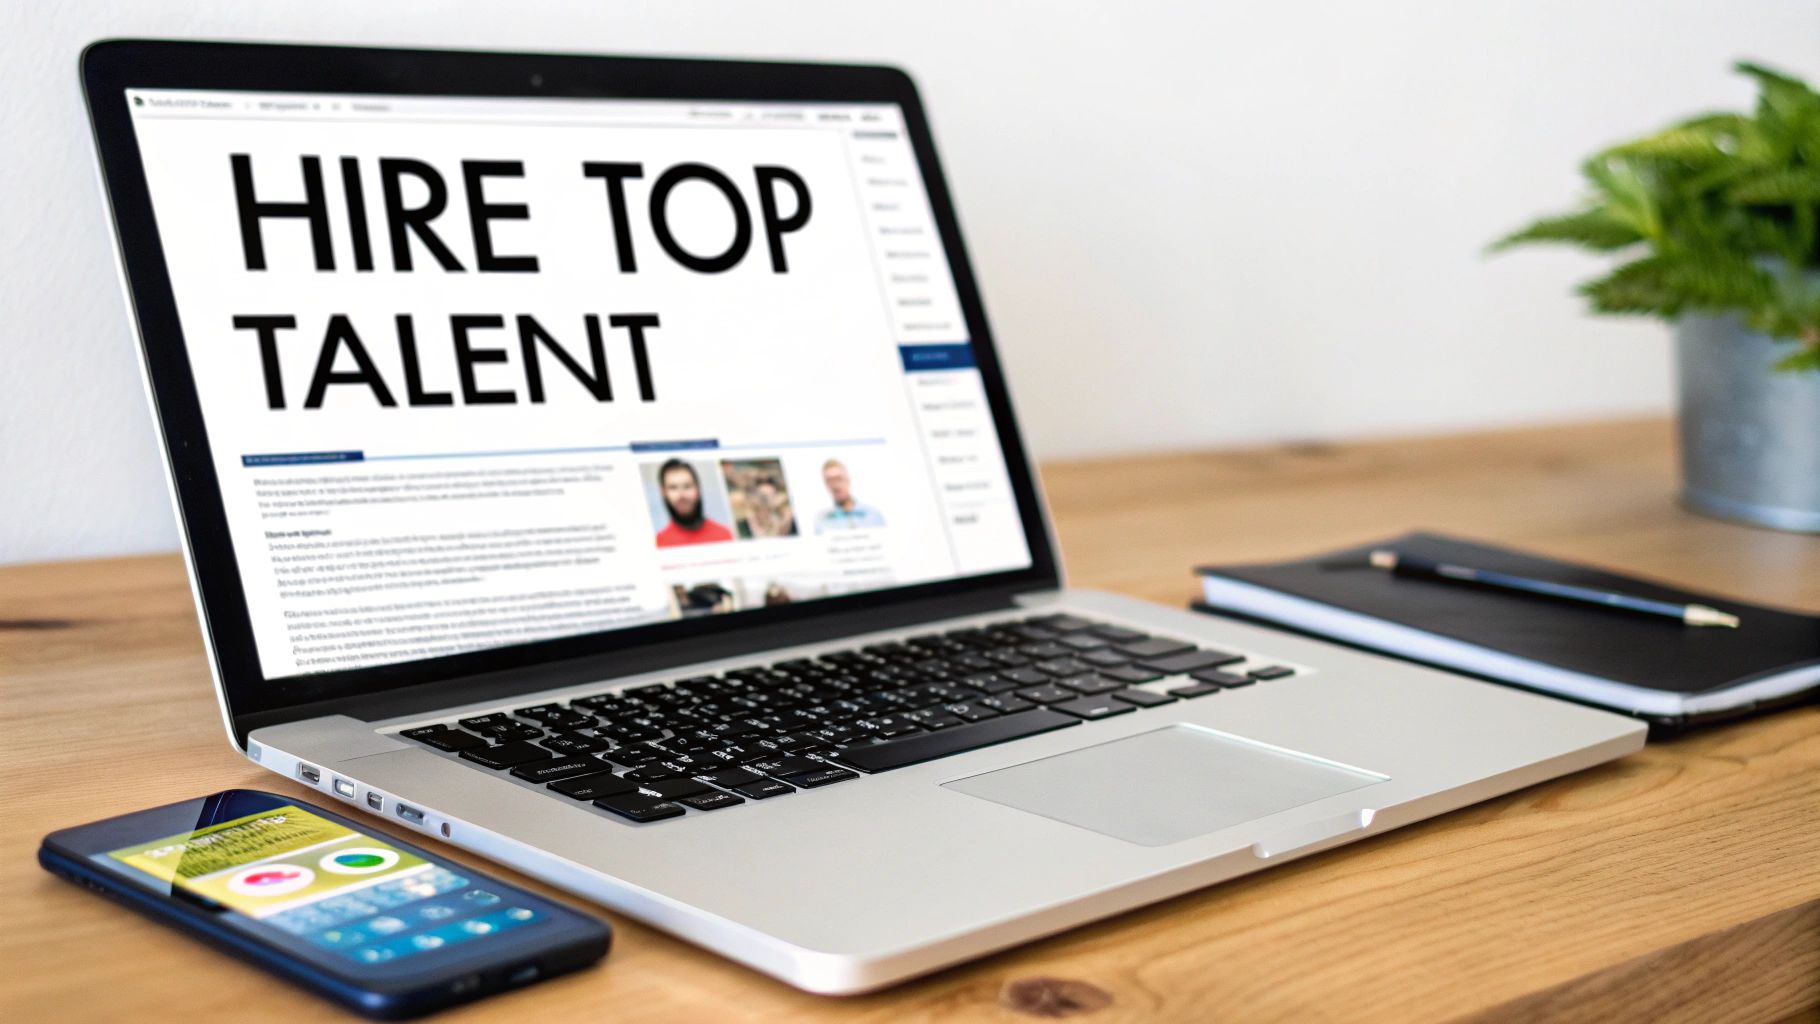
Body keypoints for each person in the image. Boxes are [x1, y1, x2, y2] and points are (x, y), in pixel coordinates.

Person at [653, 459, 734, 547]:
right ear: (663, 493)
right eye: (673, 487)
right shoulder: (659, 542)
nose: (681, 495)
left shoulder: (725, 535)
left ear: (698, 489)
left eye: (687, 486)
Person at [815, 459, 886, 532]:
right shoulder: (822, 520)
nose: (835, 485)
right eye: (829, 480)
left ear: (848, 480)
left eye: (838, 479)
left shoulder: (872, 515)